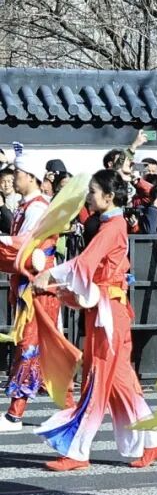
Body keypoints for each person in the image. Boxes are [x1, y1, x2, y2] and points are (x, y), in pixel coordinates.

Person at [32, 169, 157, 470]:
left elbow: (84, 263)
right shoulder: (112, 223)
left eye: (93, 192)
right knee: (119, 381)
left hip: (107, 314)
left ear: (108, 196)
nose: (89, 197)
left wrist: (49, 274)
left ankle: (77, 450)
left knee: (96, 380)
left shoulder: (112, 226)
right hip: (108, 309)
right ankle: (154, 442)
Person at [0, 160, 67, 432]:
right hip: (29, 285)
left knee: (31, 347)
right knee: (45, 350)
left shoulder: (37, 207)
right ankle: (75, 408)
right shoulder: (26, 205)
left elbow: (24, 245)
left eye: (17, 173)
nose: (13, 177)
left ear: (30, 176)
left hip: (39, 288)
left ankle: (15, 415)